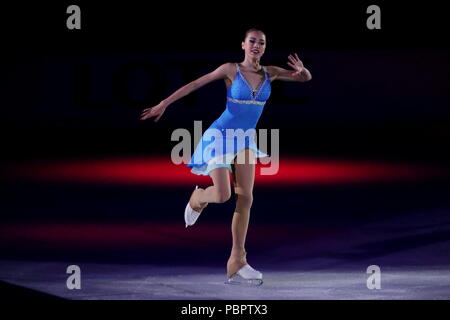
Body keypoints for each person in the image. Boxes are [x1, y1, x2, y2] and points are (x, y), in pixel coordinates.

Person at [140, 28, 312, 285]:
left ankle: (237, 261)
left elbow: (303, 78)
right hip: (220, 137)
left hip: (244, 141)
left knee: (246, 198)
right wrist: (164, 103)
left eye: (261, 43)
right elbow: (195, 84)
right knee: (222, 195)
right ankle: (198, 197)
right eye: (252, 41)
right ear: (243, 44)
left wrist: (304, 71)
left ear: (265, 47)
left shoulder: (270, 72)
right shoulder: (231, 70)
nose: (256, 46)